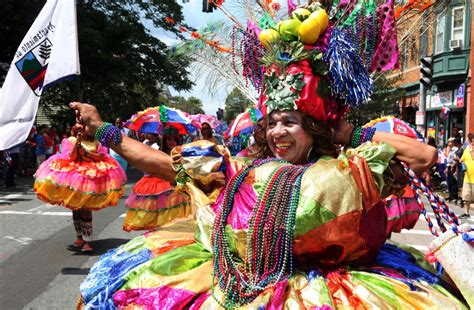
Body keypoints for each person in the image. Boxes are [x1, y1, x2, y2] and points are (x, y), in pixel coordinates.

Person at [73, 3, 469, 307]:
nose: (279, 131)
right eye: (274, 122)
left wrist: (348, 131)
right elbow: (157, 162)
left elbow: (424, 156)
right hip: (237, 287)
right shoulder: (242, 169)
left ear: (315, 127)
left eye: (292, 122)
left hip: (341, 293)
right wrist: (101, 129)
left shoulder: (353, 168)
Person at [34, 125, 126, 252]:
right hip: (74, 177)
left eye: (82, 130)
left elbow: (101, 156)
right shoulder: (71, 140)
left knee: (86, 209)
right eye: (77, 130)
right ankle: (79, 237)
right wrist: (78, 143)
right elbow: (72, 157)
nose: (80, 132)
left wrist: (86, 154)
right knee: (75, 208)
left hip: (90, 177)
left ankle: (87, 240)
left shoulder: (97, 141)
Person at [123, 128, 190, 231]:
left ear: (177, 140)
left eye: (172, 139)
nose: (170, 142)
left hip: (177, 186)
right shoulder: (158, 152)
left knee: (176, 215)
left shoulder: (181, 152)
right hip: (159, 184)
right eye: (167, 139)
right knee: (158, 215)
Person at [459, 135, 474, 219]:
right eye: (472, 141)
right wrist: (463, 163)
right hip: (467, 177)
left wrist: (472, 150)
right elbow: (461, 159)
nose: (473, 143)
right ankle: (466, 212)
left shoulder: (471, 150)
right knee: (467, 196)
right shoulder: (467, 150)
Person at [444, 137, 459, 202]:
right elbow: (448, 159)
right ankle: (450, 195)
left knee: (453, 181)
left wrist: (453, 166)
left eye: (450, 142)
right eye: (448, 142)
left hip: (454, 166)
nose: (449, 143)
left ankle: (454, 196)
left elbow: (456, 158)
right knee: (449, 181)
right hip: (449, 166)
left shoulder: (456, 149)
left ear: (453, 143)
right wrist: (447, 168)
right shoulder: (449, 149)